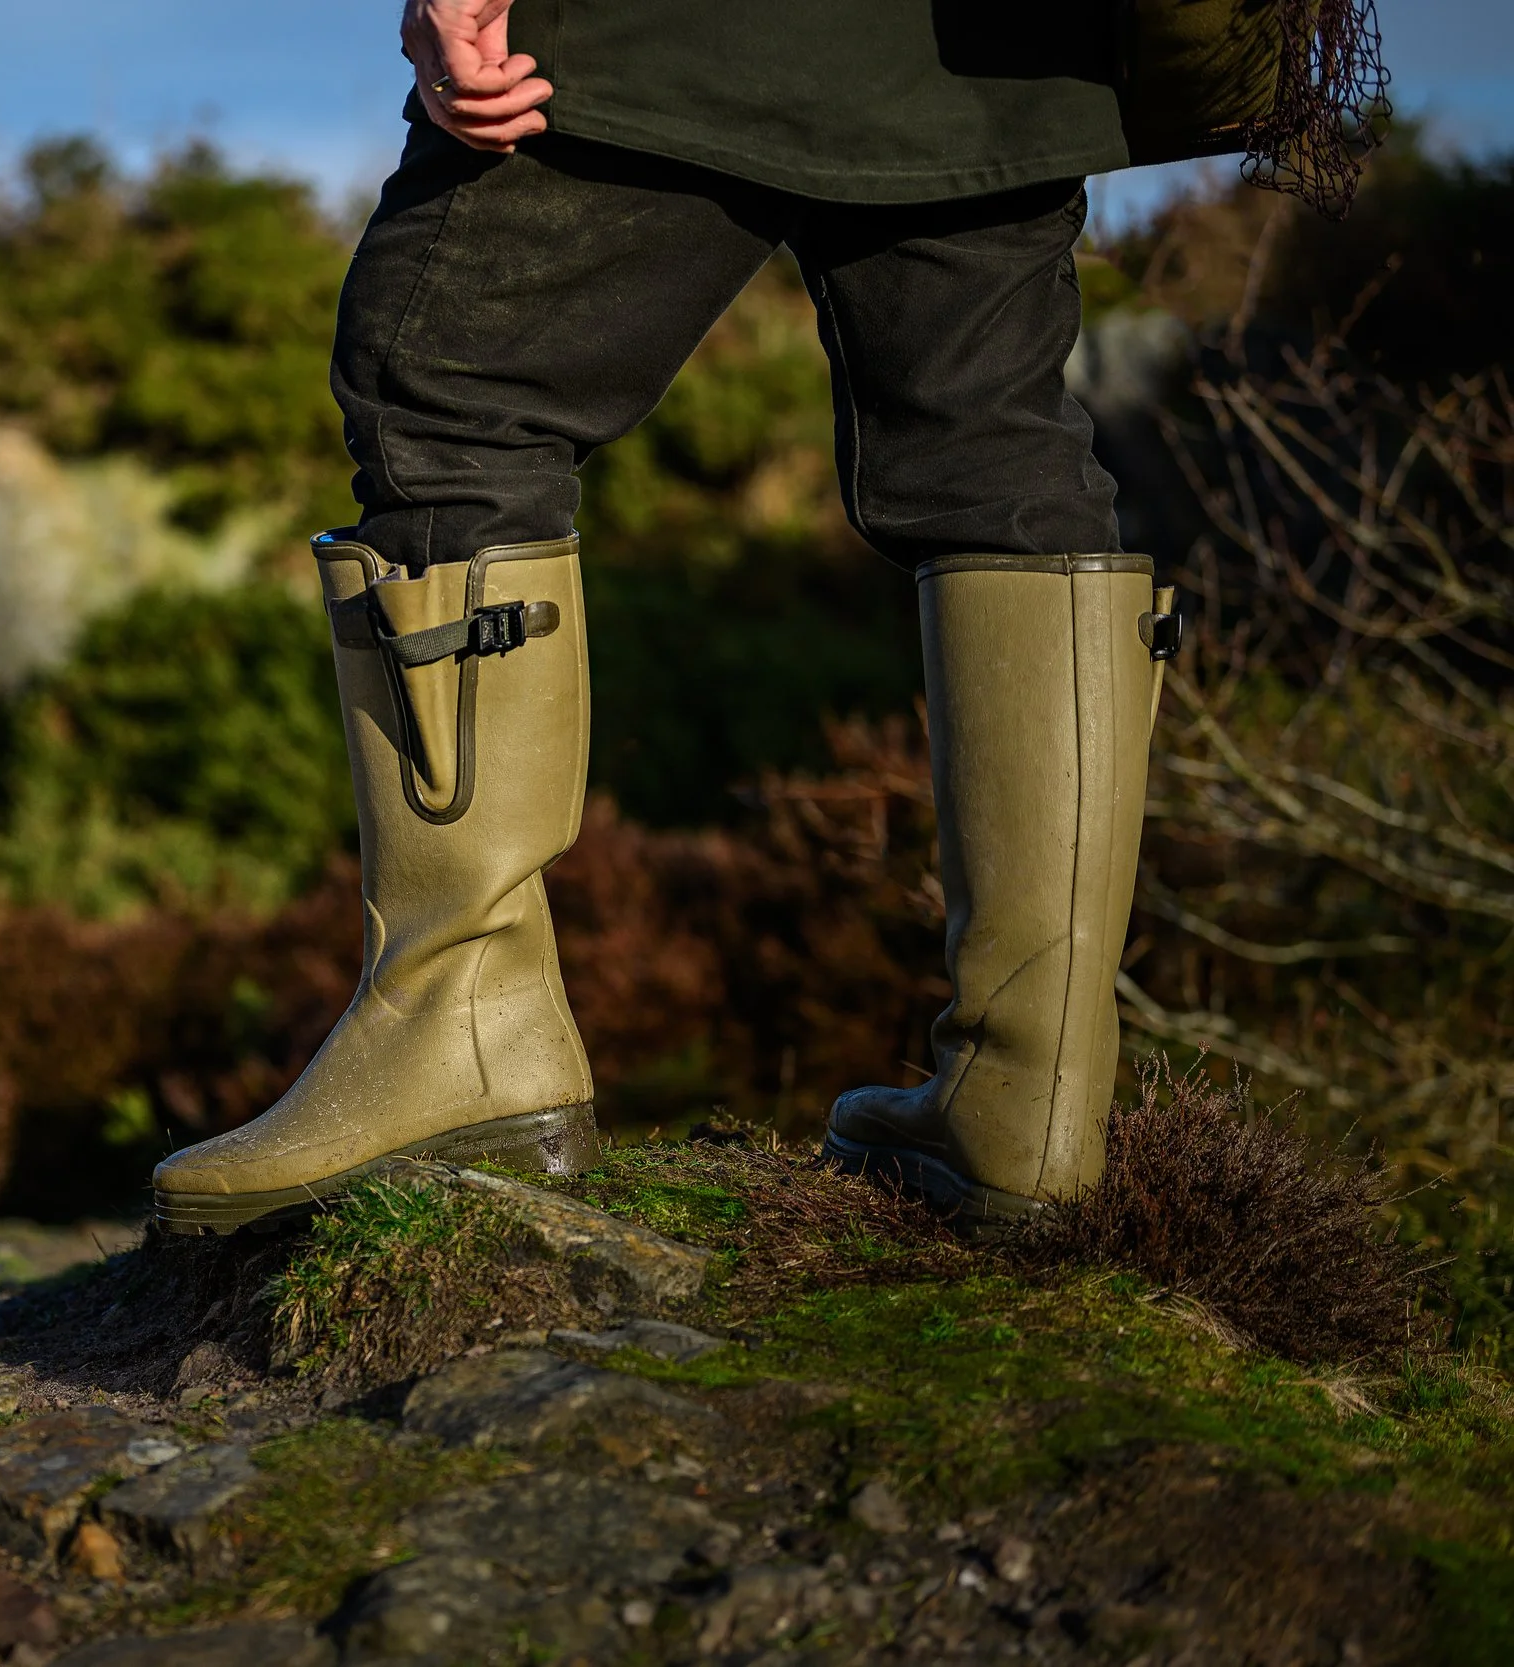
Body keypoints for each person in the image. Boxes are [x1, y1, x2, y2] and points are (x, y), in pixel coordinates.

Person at [150, 0, 1209, 1235]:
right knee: (997, 455)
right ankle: (1032, 1097)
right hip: (995, 49)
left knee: (441, 385)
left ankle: (464, 1030)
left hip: (673, 33)